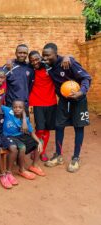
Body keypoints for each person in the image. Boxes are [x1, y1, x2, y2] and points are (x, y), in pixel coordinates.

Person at [42, 43, 91, 172]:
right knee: (59, 126)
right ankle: (58, 156)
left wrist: (81, 92)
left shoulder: (68, 62)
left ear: (56, 54)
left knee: (78, 127)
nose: (45, 58)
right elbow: (28, 61)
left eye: (48, 55)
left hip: (78, 100)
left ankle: (76, 158)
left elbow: (86, 77)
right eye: (44, 56)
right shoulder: (47, 65)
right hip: (64, 100)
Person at [3, 100, 45, 183]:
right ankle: (21, 169)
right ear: (12, 108)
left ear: (23, 109)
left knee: (39, 142)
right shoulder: (8, 111)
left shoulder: (25, 119)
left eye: (20, 107)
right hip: (9, 136)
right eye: (15, 107)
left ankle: (34, 165)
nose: (17, 109)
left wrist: (39, 142)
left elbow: (32, 133)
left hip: (20, 136)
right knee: (22, 147)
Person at [28, 51, 58, 162]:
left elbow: (59, 60)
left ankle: (43, 151)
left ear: (41, 58)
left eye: (37, 59)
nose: (35, 62)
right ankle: (35, 149)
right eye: (32, 61)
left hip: (51, 102)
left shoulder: (50, 67)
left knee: (47, 129)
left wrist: (68, 57)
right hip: (37, 103)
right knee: (39, 129)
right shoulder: (30, 69)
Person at [2, 44, 34, 111]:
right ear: (16, 53)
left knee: (24, 121)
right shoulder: (8, 66)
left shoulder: (30, 67)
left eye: (24, 53)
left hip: (24, 104)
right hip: (11, 104)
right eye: (20, 53)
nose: (22, 55)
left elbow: (30, 86)